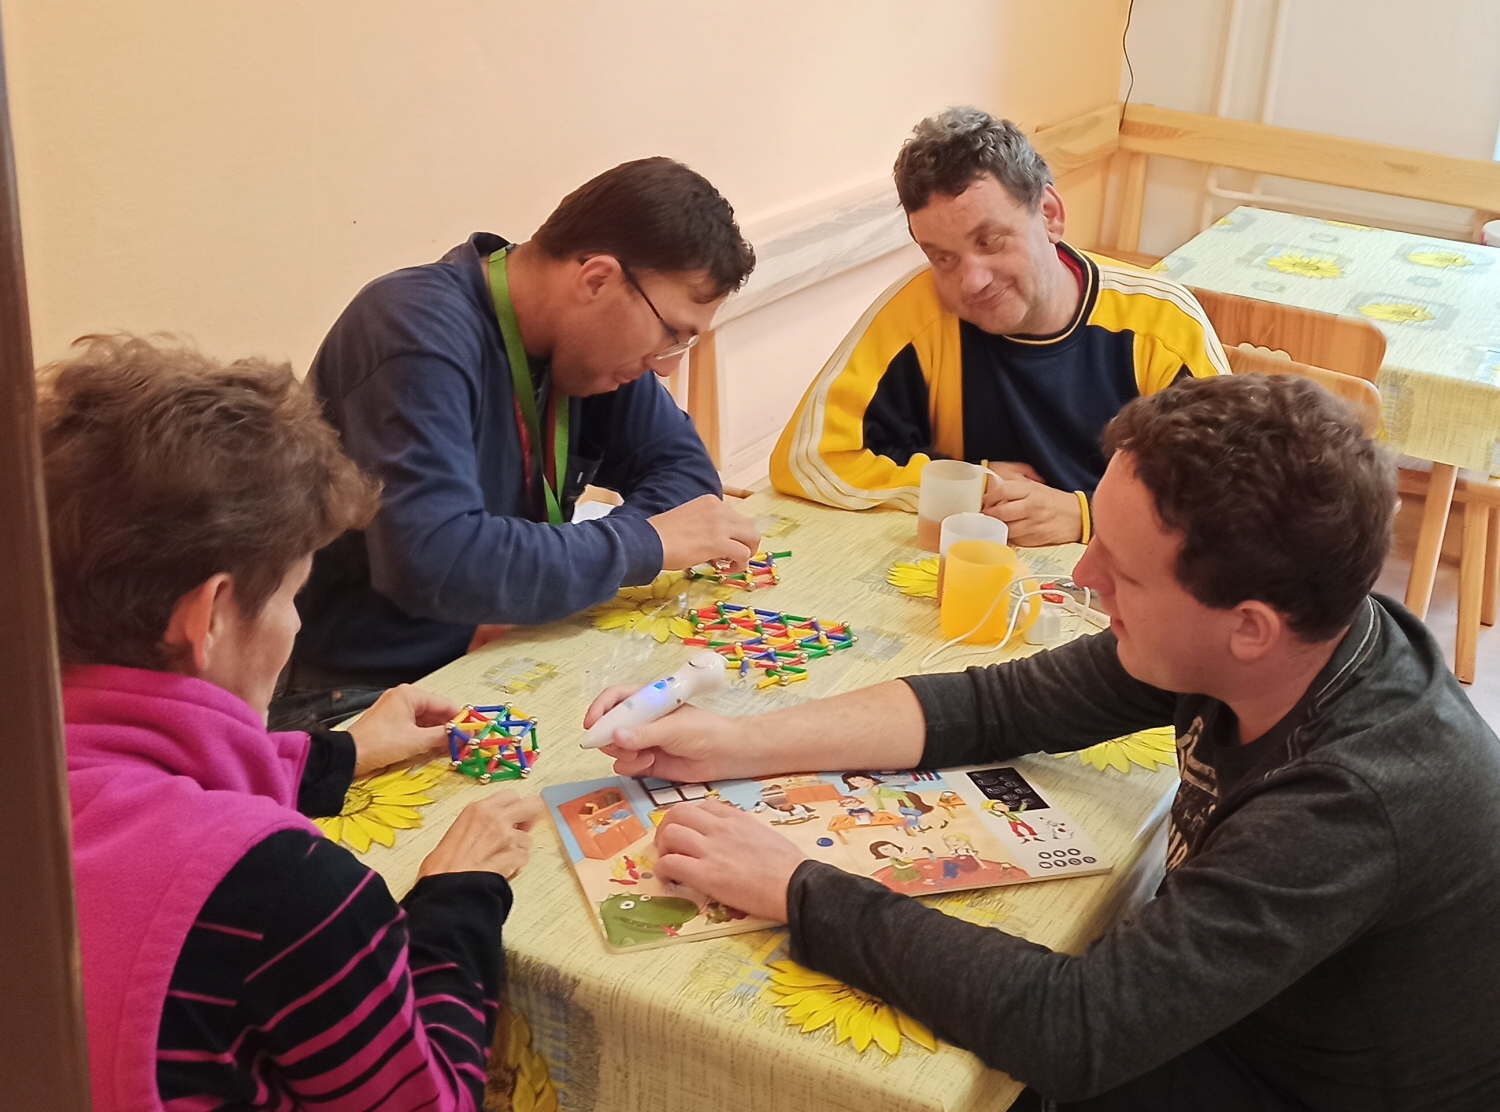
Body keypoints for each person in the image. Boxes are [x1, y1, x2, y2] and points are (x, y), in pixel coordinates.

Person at [590, 375, 1500, 1111]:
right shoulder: (1298, 625)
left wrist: (797, 885)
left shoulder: (1353, 796)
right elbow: (1000, 704)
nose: (1083, 575)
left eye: (1122, 570)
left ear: (1249, 627)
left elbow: (1078, 1028)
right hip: (1252, 1028)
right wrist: (735, 742)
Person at [46, 336, 544, 1112]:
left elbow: (125, 787)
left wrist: (338, 753)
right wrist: (455, 896)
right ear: (211, 615)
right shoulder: (288, 889)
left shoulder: (35, 782)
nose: (294, 623)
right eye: (288, 594)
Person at [287, 157, 761, 725]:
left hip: (503, 649)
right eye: (671, 334)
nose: (664, 366)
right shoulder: (410, 328)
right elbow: (437, 563)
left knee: (701, 729)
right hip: (362, 694)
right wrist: (641, 544)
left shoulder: (586, 350)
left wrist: (527, 578)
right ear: (597, 280)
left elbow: (686, 476)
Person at [770, 107, 1229, 546]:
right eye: (942, 257)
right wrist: (965, 484)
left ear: (1049, 214)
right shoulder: (918, 313)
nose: (971, 281)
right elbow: (806, 460)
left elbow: (1228, 500)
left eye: (989, 241)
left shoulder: (1161, 324)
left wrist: (1087, 516)